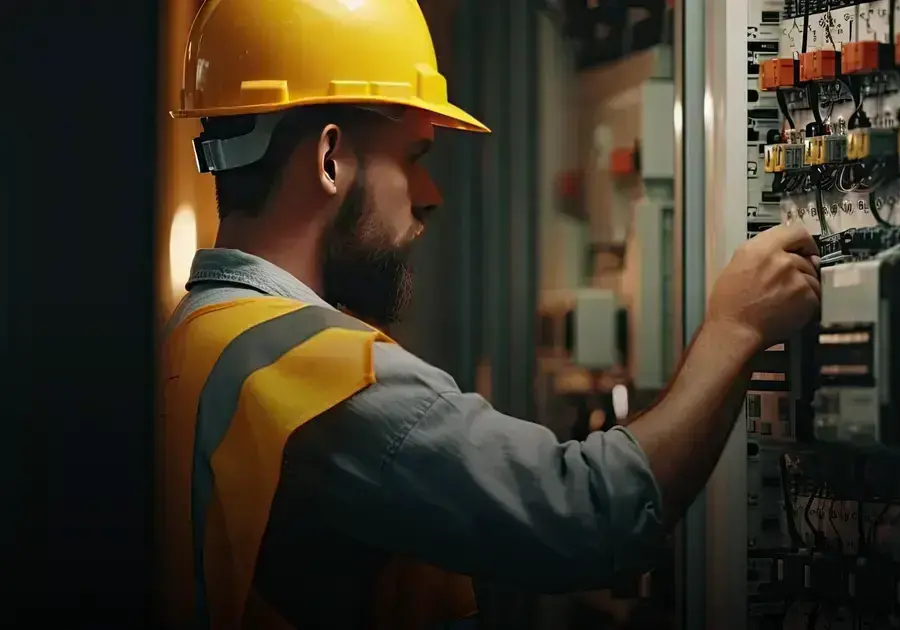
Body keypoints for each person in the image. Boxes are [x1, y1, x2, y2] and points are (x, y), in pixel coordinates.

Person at [158, 1, 822, 628]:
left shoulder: (188, 343)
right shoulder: (322, 375)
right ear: (330, 158)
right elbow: (588, 515)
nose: (431, 196)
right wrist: (735, 328)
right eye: (414, 159)